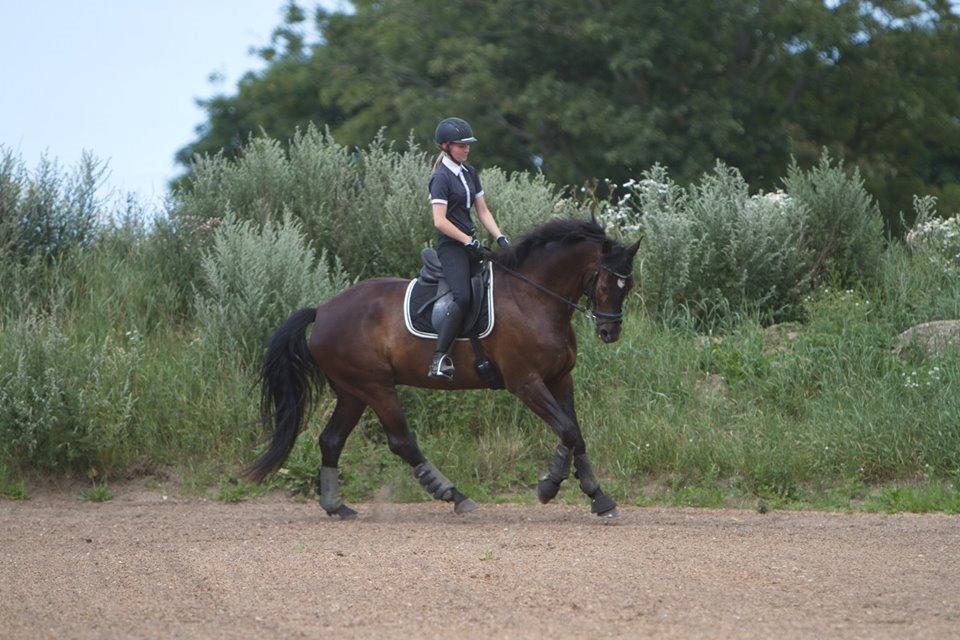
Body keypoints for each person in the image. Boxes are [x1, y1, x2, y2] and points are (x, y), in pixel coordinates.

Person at [427, 117, 509, 380]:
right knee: (462, 296)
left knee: (493, 288)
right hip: (451, 247)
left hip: (469, 243)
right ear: (446, 146)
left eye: (468, 145)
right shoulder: (440, 178)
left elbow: (482, 210)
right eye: (462, 146)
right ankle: (439, 357)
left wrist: (500, 238)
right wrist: (466, 241)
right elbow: (439, 221)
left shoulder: (470, 172)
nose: (467, 149)